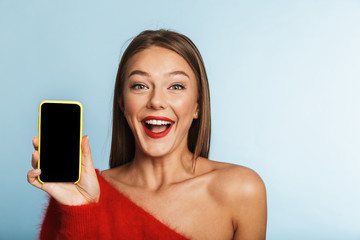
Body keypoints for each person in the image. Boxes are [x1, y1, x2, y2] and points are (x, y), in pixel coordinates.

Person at [28, 30, 267, 240]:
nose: (156, 101)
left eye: (176, 86)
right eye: (140, 86)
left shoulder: (242, 190)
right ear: (122, 103)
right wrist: (80, 210)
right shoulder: (79, 191)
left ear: (198, 105)